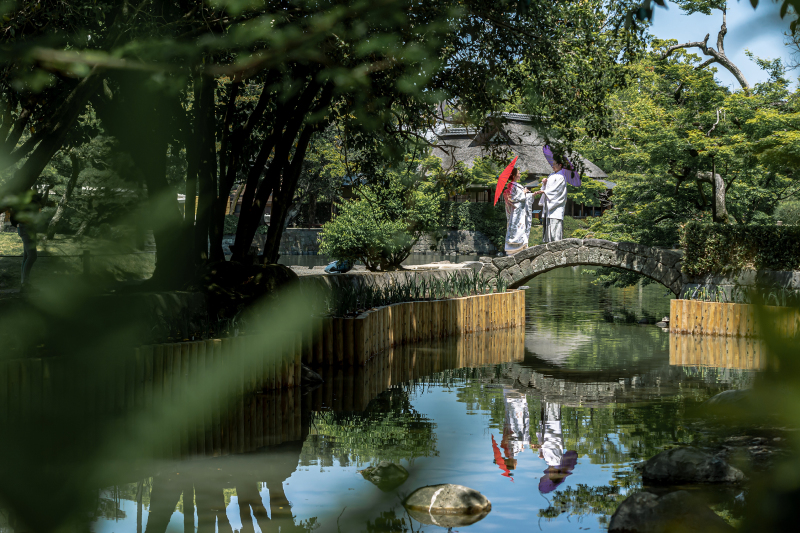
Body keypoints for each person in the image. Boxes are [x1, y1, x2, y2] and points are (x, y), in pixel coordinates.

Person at [532, 401, 579, 494]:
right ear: (556, 473)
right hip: (552, 426)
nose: (549, 474)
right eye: (552, 475)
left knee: (546, 404)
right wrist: (540, 446)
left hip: (547, 427)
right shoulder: (555, 461)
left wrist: (541, 451)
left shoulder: (550, 462)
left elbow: (549, 447)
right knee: (551, 403)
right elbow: (553, 445)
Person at [10, 194, 41, 290]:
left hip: (28, 228)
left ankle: (24, 283)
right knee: (32, 256)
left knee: (27, 256)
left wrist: (48, 189)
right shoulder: (23, 199)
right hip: (25, 228)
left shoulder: (28, 198)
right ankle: (24, 283)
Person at [503, 167, 535, 255]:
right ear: (514, 175)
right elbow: (512, 199)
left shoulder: (517, 185)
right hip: (515, 212)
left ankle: (522, 246)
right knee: (516, 228)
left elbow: (523, 198)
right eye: (518, 173)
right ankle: (514, 248)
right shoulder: (511, 186)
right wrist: (523, 193)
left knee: (522, 227)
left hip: (521, 211)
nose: (520, 174)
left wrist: (532, 194)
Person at [533, 161, 567, 243]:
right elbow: (547, 188)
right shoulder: (551, 175)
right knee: (547, 227)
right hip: (548, 205)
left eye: (554, 164)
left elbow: (557, 190)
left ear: (560, 165)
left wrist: (544, 191)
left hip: (556, 206)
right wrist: (544, 184)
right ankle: (548, 244)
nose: (552, 166)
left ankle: (556, 245)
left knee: (555, 228)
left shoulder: (561, 176)